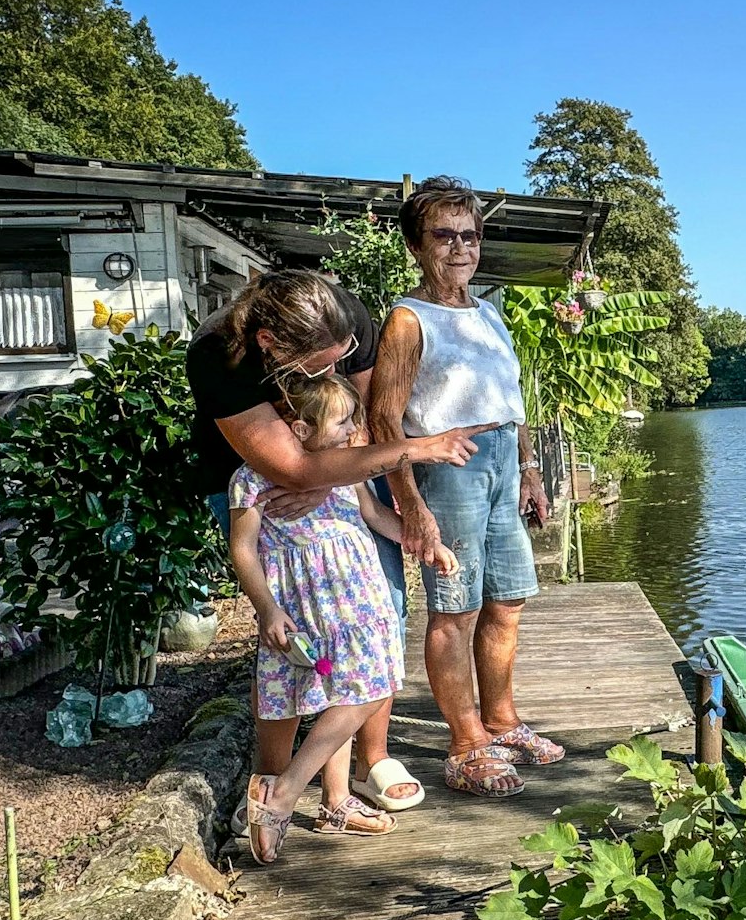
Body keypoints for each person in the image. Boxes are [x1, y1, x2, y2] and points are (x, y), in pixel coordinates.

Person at [188, 270, 493, 814]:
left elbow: (364, 419)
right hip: (257, 491)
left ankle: (367, 764)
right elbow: (291, 469)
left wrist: (337, 481)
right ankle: (272, 781)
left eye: (343, 355)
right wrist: (326, 472)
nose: (335, 369)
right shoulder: (222, 354)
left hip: (343, 476)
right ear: (271, 346)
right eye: (320, 364)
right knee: (291, 651)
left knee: (379, 620)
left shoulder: (344, 314)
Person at [368, 177, 559, 798]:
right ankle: (465, 742)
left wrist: (529, 468)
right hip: (447, 466)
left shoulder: (490, 313)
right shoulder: (406, 319)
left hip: (502, 458)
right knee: (455, 606)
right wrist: (411, 504)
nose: (460, 248)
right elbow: (382, 421)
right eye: (444, 236)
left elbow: (512, 400)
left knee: (508, 599)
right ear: (417, 246)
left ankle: (501, 722)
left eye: (470, 236)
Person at [230, 374, 453, 861]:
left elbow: (376, 517)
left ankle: (334, 802)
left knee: (355, 692)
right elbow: (242, 548)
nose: (354, 430)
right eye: (343, 420)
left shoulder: (347, 473)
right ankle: (284, 789)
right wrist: (266, 607)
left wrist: (425, 544)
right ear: (300, 430)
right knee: (356, 692)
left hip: (360, 610)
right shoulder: (250, 479)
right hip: (306, 611)